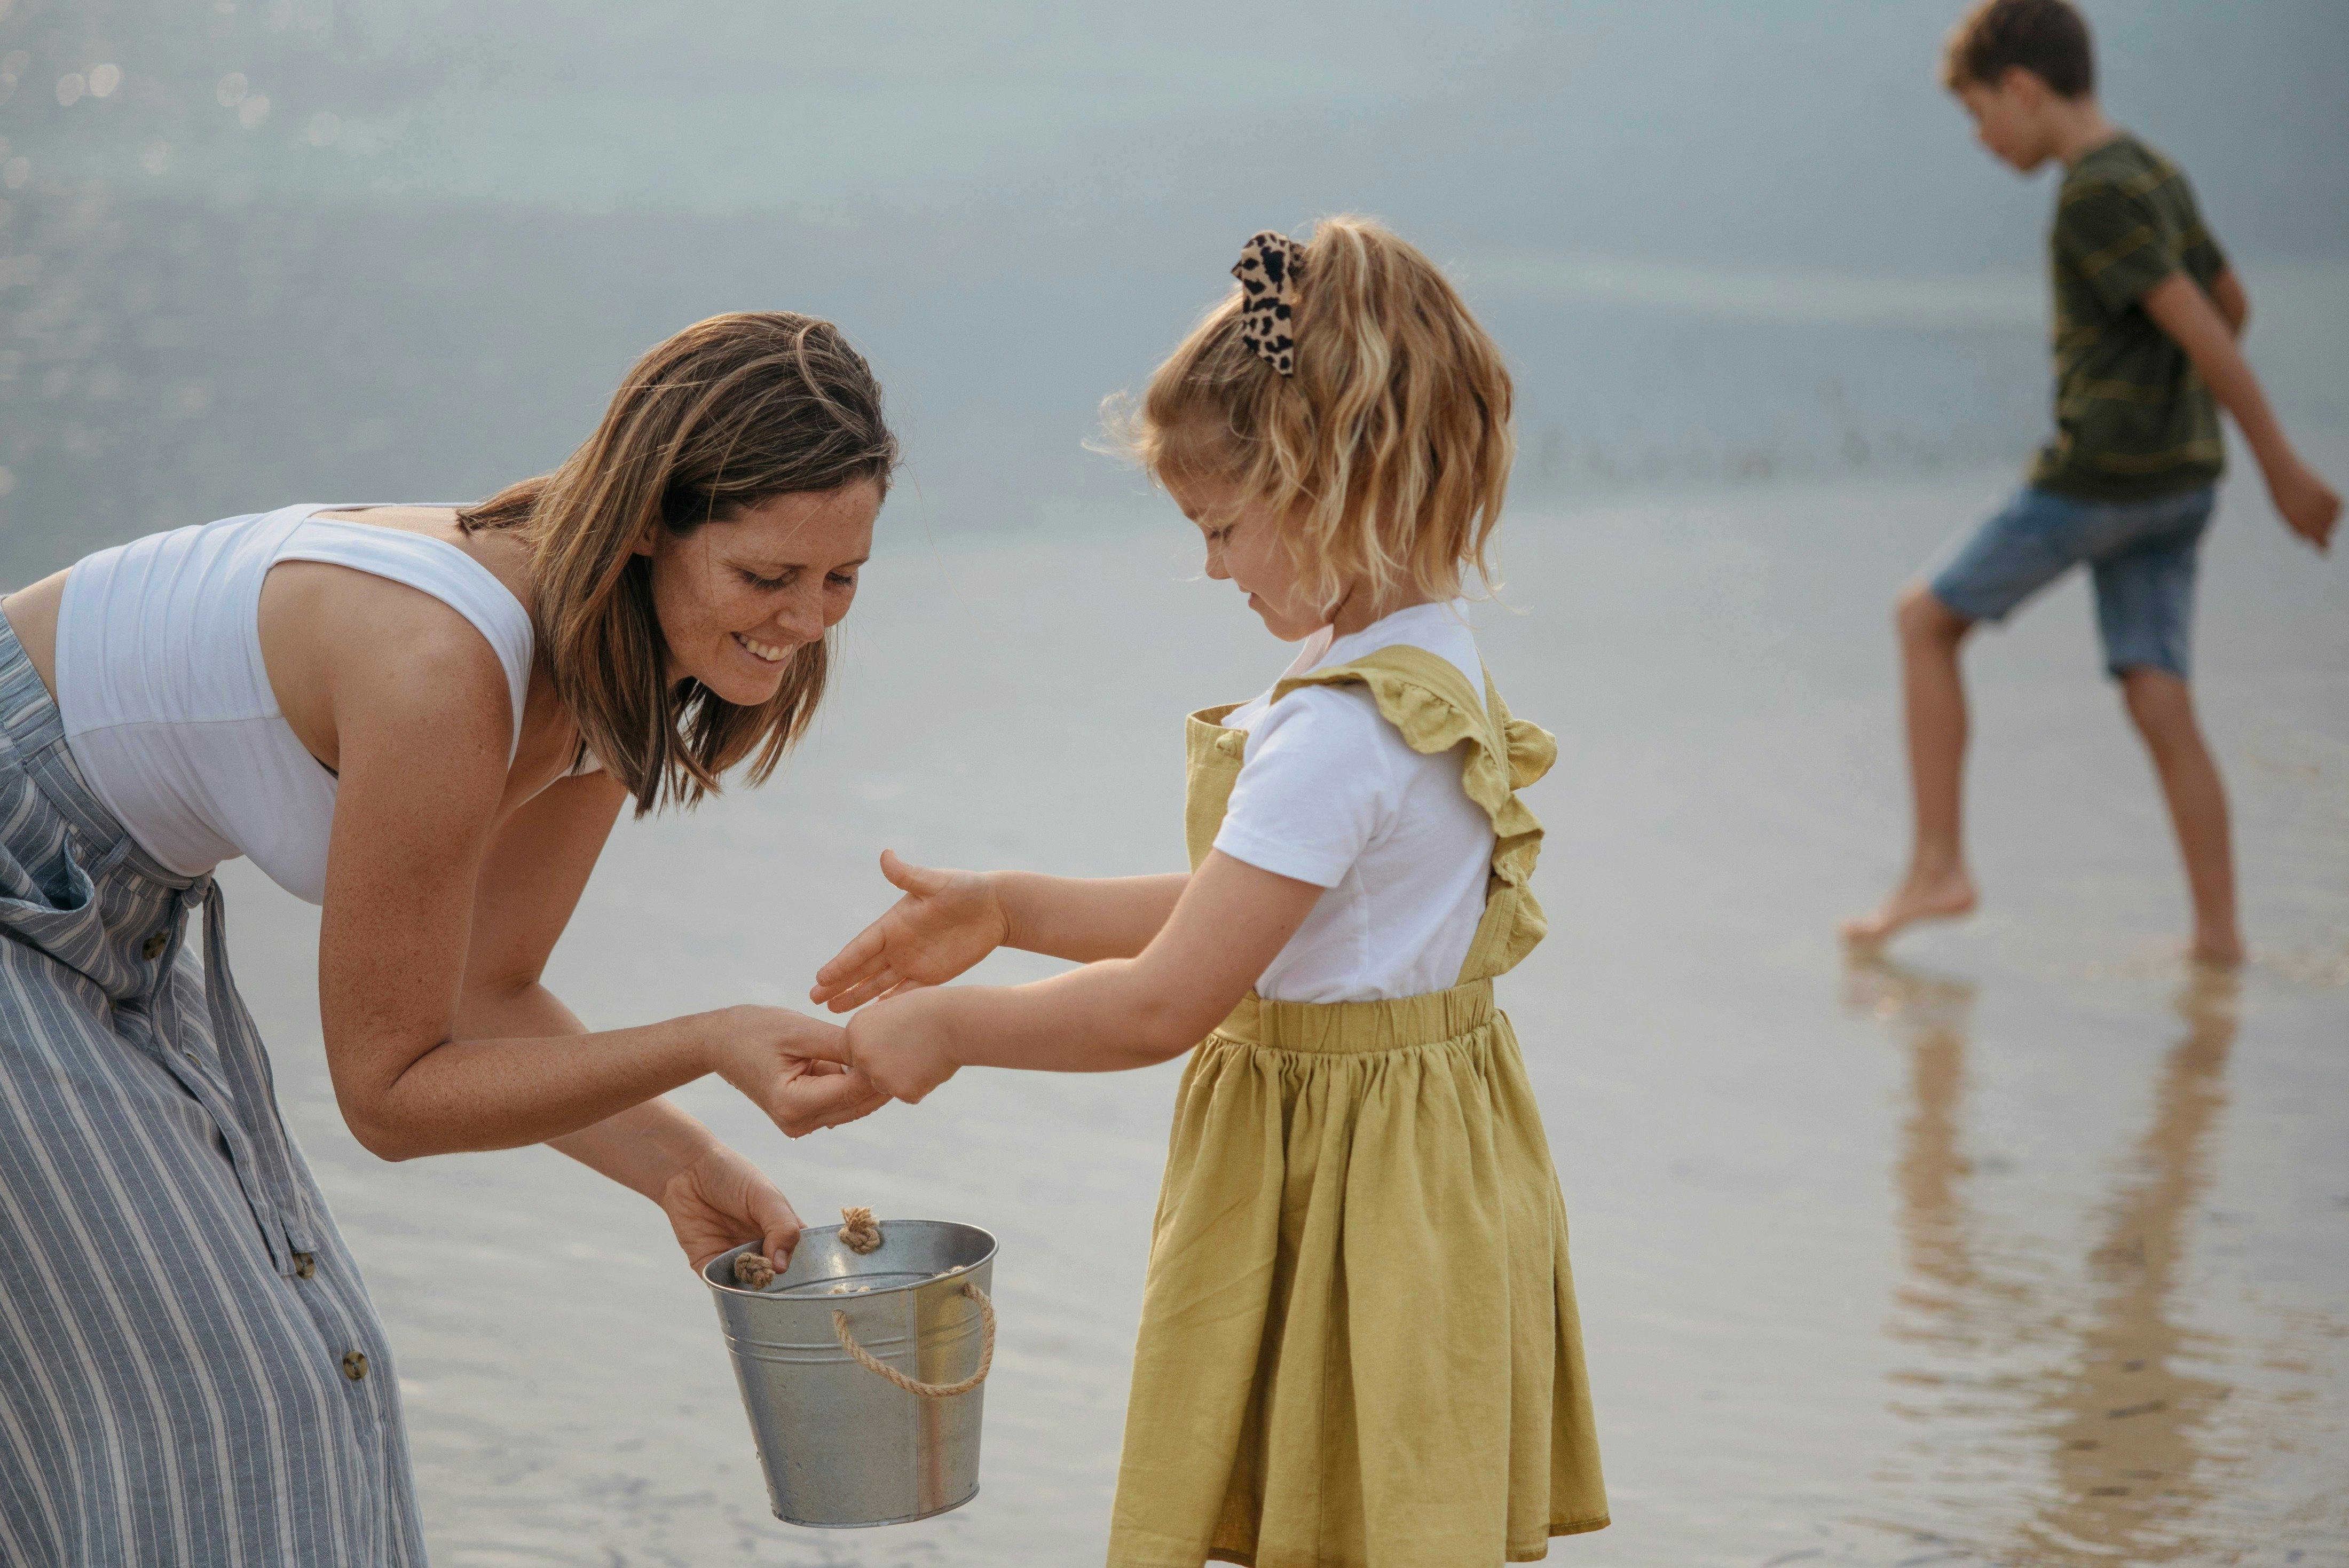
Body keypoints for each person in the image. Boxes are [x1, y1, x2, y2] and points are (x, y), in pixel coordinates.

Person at [0, 312, 892, 1565]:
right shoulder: (444, 665)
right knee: (251, 1399)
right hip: (26, 878)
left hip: (115, 910)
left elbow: (489, 994)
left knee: (305, 1371)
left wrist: (677, 1166)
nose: (804, 619)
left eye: (840, 576)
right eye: (764, 576)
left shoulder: (607, 664)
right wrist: (704, 1037)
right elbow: (392, 1093)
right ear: (650, 521)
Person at [806, 219, 1607, 1565]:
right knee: (1391, 1506)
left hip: (1341, 1187)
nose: (1217, 568)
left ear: (1331, 476)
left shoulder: (1332, 726)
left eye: (1222, 526)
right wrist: (1008, 904)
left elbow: (1166, 999)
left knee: (1330, 1516)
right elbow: (1275, 917)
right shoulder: (1430, 655)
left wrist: (946, 1029)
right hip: (1436, 1174)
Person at [1843, 0, 2342, 963]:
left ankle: (1937, 866)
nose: (1984, 139)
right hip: (2180, 482)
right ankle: (2219, 935)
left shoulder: (2092, 196)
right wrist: (2181, 410)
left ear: (2024, 89)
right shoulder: (2156, 170)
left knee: (1923, 620)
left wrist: (2284, 467)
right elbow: (2232, 304)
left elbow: (2201, 327)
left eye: (1982, 113)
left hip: (2099, 479)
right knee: (2160, 696)